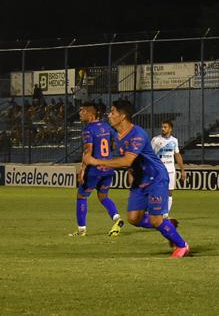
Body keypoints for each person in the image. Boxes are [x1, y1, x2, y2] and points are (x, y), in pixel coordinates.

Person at [82, 99, 190, 257]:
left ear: (122, 116)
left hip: (156, 178)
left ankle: (182, 246)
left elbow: (127, 161)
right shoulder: (117, 134)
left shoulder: (138, 134)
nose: (109, 115)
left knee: (155, 220)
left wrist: (95, 161)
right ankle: (167, 225)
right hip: (140, 180)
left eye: (112, 112)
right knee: (134, 218)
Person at [69, 101, 123, 237]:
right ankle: (117, 218)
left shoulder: (88, 130)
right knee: (103, 196)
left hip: (95, 169)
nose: (80, 113)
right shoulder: (106, 126)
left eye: (83, 111)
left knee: (82, 196)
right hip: (108, 167)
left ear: (91, 114)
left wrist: (82, 170)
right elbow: (115, 143)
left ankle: (81, 230)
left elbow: (88, 150)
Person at [151, 120, 186, 215]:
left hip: (170, 170)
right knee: (156, 191)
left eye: (165, 127)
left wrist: (182, 170)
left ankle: (165, 214)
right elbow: (150, 155)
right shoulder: (155, 140)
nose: (163, 129)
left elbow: (177, 155)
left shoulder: (174, 141)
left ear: (170, 129)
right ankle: (154, 210)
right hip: (158, 170)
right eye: (162, 127)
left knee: (169, 192)